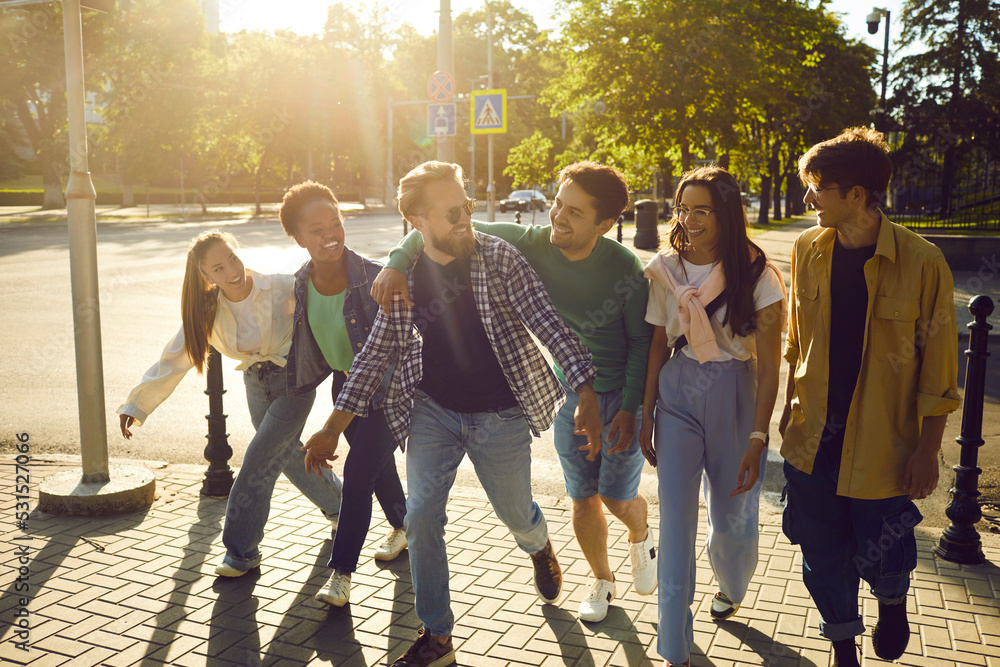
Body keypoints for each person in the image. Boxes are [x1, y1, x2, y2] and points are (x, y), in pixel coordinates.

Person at [301, 161, 604, 667]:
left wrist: (587, 393)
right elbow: (376, 353)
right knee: (421, 519)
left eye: (466, 205)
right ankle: (437, 635)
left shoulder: (499, 258)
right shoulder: (402, 278)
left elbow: (549, 324)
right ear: (418, 221)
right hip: (432, 411)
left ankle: (539, 544)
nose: (466, 217)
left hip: (501, 414)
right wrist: (333, 426)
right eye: (452, 212)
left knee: (515, 513)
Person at [372, 161, 656, 623]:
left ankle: (640, 534)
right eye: (557, 205)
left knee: (615, 497)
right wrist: (396, 263)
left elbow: (642, 344)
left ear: (605, 225)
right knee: (583, 497)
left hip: (620, 394)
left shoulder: (624, 267)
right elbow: (433, 224)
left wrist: (628, 408)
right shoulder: (526, 244)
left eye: (575, 213)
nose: (558, 219)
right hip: (570, 390)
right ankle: (601, 580)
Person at [779, 127, 960, 667]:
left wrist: (928, 452)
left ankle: (892, 601)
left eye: (817, 187)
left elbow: (940, 371)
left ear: (856, 195)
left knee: (884, 548)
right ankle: (842, 644)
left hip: (886, 446)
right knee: (820, 550)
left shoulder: (923, 262)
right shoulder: (807, 249)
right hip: (813, 441)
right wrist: (786, 425)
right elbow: (796, 347)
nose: (807, 199)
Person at [117, 231, 343, 577]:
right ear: (206, 278)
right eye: (218, 269)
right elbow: (175, 356)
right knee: (284, 457)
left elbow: (329, 312)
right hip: (255, 384)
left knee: (257, 463)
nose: (232, 272)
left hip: (294, 382)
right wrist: (136, 405)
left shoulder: (280, 287)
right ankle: (339, 506)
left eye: (233, 259)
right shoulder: (208, 310)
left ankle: (241, 552)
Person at [640, 166, 786, 667]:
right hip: (678, 392)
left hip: (736, 394)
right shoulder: (666, 268)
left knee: (732, 520)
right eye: (683, 208)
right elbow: (658, 343)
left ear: (726, 212)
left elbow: (770, 367)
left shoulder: (759, 275)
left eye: (702, 209)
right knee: (675, 519)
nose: (689, 218)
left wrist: (759, 437)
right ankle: (675, 646)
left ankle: (731, 582)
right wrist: (645, 414)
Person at [278, 181, 408, 608]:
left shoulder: (375, 278)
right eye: (316, 229)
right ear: (297, 238)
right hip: (343, 385)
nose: (330, 234)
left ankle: (341, 574)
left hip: (386, 393)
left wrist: (332, 426)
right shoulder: (302, 283)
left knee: (356, 475)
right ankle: (404, 526)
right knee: (376, 466)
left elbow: (391, 351)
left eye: (335, 223)